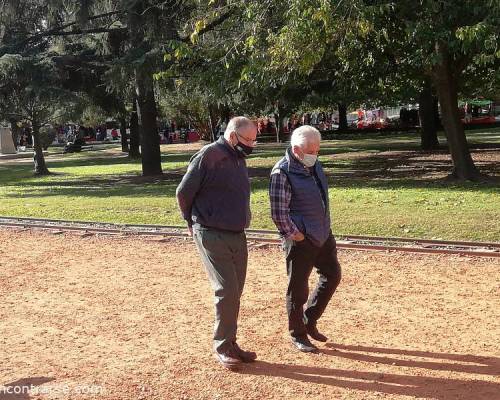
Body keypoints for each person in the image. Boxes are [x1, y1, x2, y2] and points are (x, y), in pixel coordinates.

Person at [176, 116, 258, 369]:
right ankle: (222, 346)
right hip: (211, 232)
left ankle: (231, 342)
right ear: (233, 136)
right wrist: (191, 222)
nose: (251, 145)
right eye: (248, 140)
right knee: (226, 290)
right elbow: (183, 193)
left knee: (235, 291)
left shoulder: (238, 156)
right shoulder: (208, 156)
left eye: (255, 140)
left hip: (237, 232)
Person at [269, 125, 341, 353]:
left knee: (332, 275)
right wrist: (297, 235)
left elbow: (320, 197)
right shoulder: (282, 172)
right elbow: (279, 213)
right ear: (297, 149)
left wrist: (325, 227)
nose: (315, 155)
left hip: (322, 233)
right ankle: (298, 334)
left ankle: (309, 320)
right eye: (311, 151)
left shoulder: (315, 164)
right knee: (297, 288)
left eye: (317, 150)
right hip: (300, 239)